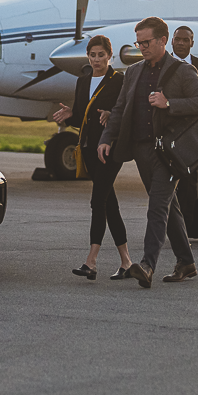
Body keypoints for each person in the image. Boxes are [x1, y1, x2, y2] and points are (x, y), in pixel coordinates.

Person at [98, 17, 198, 288]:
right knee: (168, 206)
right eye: (138, 42)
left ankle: (147, 264)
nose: (141, 47)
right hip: (140, 150)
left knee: (157, 207)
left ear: (163, 40)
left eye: (146, 42)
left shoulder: (182, 71)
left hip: (169, 152)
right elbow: (120, 108)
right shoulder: (134, 71)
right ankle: (186, 261)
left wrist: (169, 102)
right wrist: (106, 138)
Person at [53, 35, 133, 281]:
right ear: (88, 56)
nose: (97, 59)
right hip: (89, 150)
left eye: (101, 55)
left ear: (110, 55)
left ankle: (91, 262)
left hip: (109, 149)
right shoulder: (82, 81)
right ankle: (127, 262)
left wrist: (112, 114)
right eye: (92, 55)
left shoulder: (119, 80)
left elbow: (127, 111)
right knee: (109, 204)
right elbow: (82, 119)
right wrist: (70, 115)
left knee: (98, 202)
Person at [171, 26, 198, 233]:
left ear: (191, 43)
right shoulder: (161, 65)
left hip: (192, 135)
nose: (180, 43)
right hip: (168, 132)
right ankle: (169, 226)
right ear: (171, 41)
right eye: (177, 39)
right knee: (167, 182)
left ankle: (185, 228)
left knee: (190, 183)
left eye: (185, 40)